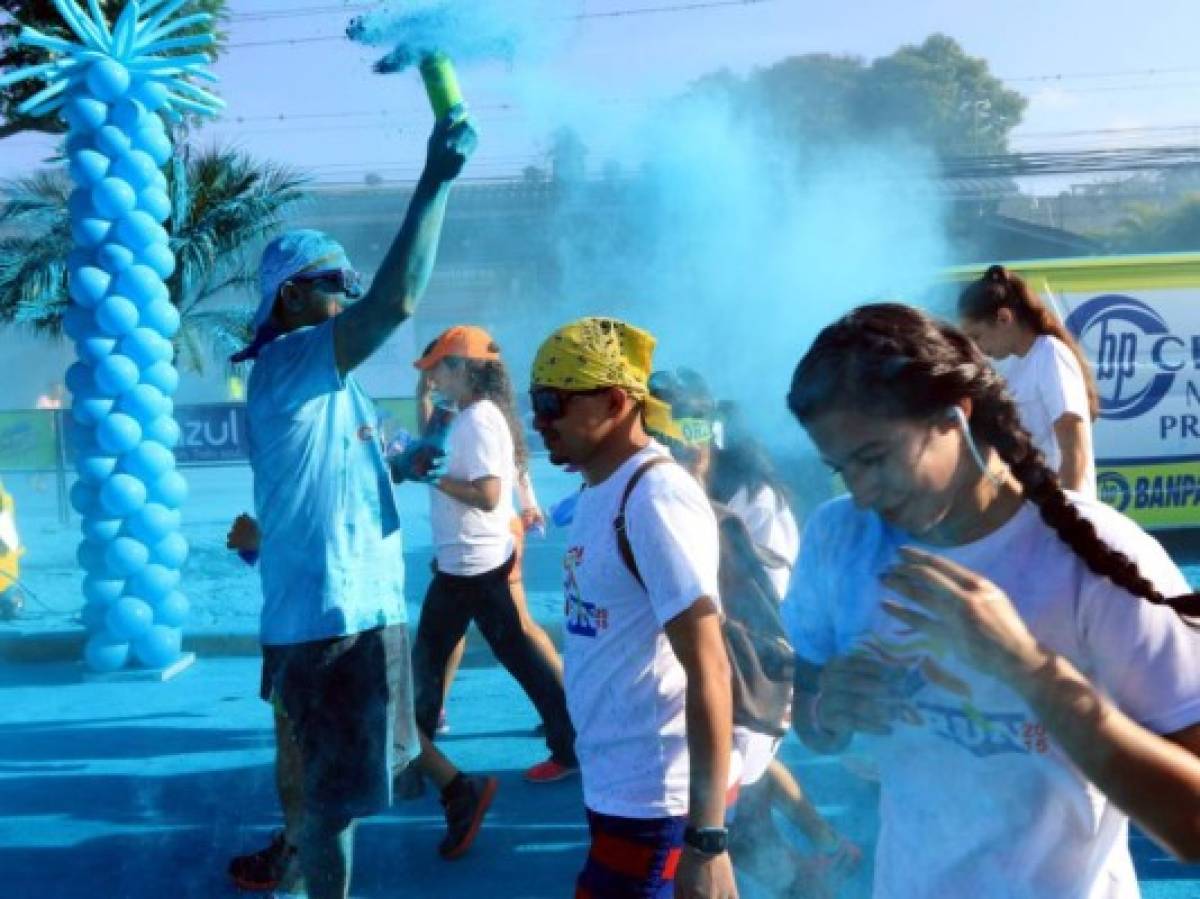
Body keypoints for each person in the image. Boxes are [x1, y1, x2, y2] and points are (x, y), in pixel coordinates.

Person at [783, 302, 1200, 898]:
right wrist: (831, 712)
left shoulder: (1096, 558)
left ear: (954, 416)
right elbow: (812, 720)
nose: (863, 493)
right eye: (840, 468)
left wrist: (1027, 668)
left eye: (875, 458)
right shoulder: (838, 537)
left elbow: (1194, 824)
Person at [236, 112, 495, 899]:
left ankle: (305, 864)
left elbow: (398, 462)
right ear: (290, 297)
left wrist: (426, 440)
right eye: (334, 282)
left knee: (323, 784)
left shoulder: (336, 387)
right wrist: (435, 180)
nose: (348, 294)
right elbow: (397, 300)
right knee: (326, 798)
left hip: (344, 611)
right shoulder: (288, 362)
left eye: (349, 281)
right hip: (328, 617)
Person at [529, 317, 738, 899]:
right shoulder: (602, 489)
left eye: (554, 403)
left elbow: (710, 669)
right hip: (620, 786)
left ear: (616, 402)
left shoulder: (657, 498)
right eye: (535, 403)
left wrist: (707, 840)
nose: (539, 420)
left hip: (658, 799)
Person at [647, 370, 859, 898]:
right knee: (745, 801)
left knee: (729, 825)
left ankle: (811, 880)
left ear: (706, 435)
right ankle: (824, 850)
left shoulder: (749, 497)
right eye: (659, 439)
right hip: (714, 676)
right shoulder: (675, 489)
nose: (669, 452)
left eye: (680, 438)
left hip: (751, 674)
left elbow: (766, 602)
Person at [395, 325, 577, 782]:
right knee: (445, 657)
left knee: (483, 656)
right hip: (468, 561)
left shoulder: (477, 420)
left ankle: (570, 743)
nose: (433, 378)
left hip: (475, 565)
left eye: (436, 368)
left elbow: (489, 494)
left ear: (461, 368)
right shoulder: (470, 412)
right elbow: (431, 443)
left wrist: (430, 478)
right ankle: (415, 754)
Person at [958, 264, 1099, 496]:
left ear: (1004, 318)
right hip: (1039, 507)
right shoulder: (1014, 364)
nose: (978, 348)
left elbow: (1074, 448)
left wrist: (1069, 515)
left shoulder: (1050, 354)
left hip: (1065, 510)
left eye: (977, 336)